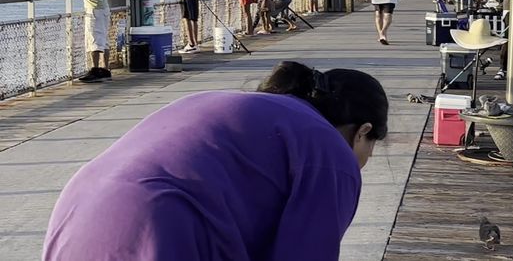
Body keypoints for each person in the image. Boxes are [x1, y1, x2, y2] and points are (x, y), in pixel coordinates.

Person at [43, 61, 389, 260]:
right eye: (369, 150)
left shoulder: (228, 103)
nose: (363, 162)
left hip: (78, 212)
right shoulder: (329, 151)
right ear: (363, 131)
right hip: (161, 225)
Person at [48, 0, 111, 83]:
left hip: (95, 9)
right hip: (103, 7)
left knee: (93, 40)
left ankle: (95, 70)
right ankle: (105, 70)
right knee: (103, 40)